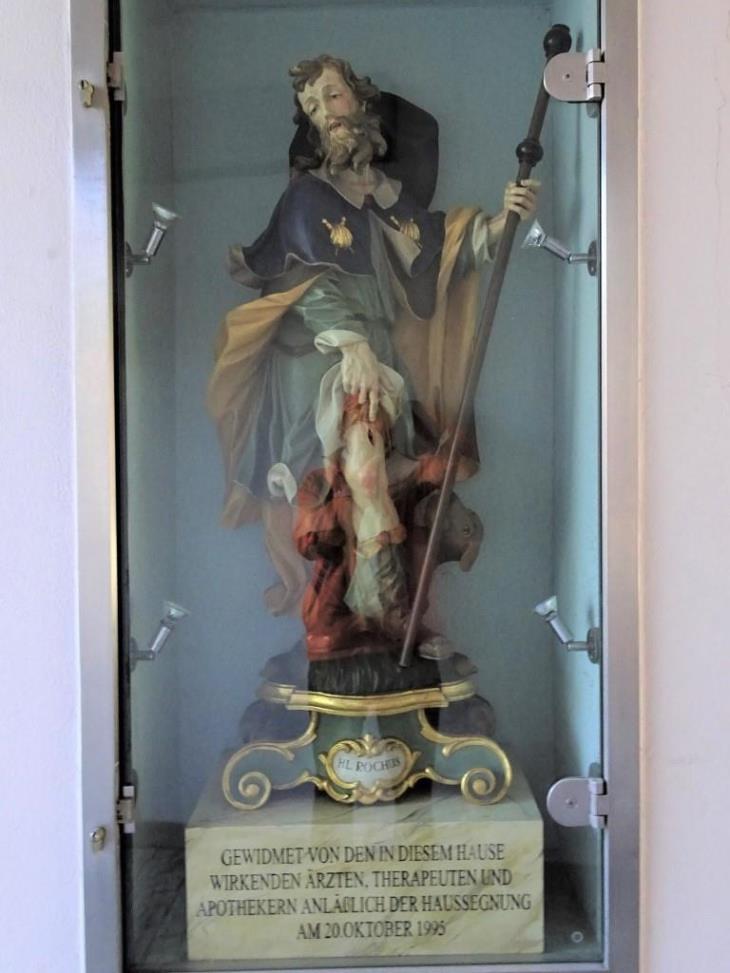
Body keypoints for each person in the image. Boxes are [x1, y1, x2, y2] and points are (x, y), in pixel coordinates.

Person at [208, 55, 538, 621]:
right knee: (350, 479)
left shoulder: (390, 198)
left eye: (333, 96)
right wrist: (351, 346)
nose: (327, 113)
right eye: (313, 107)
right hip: (318, 357)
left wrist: (506, 221)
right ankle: (369, 610)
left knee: (378, 479)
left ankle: (376, 614)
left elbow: (440, 253)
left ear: (361, 102)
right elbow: (304, 281)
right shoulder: (307, 198)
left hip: (377, 356)